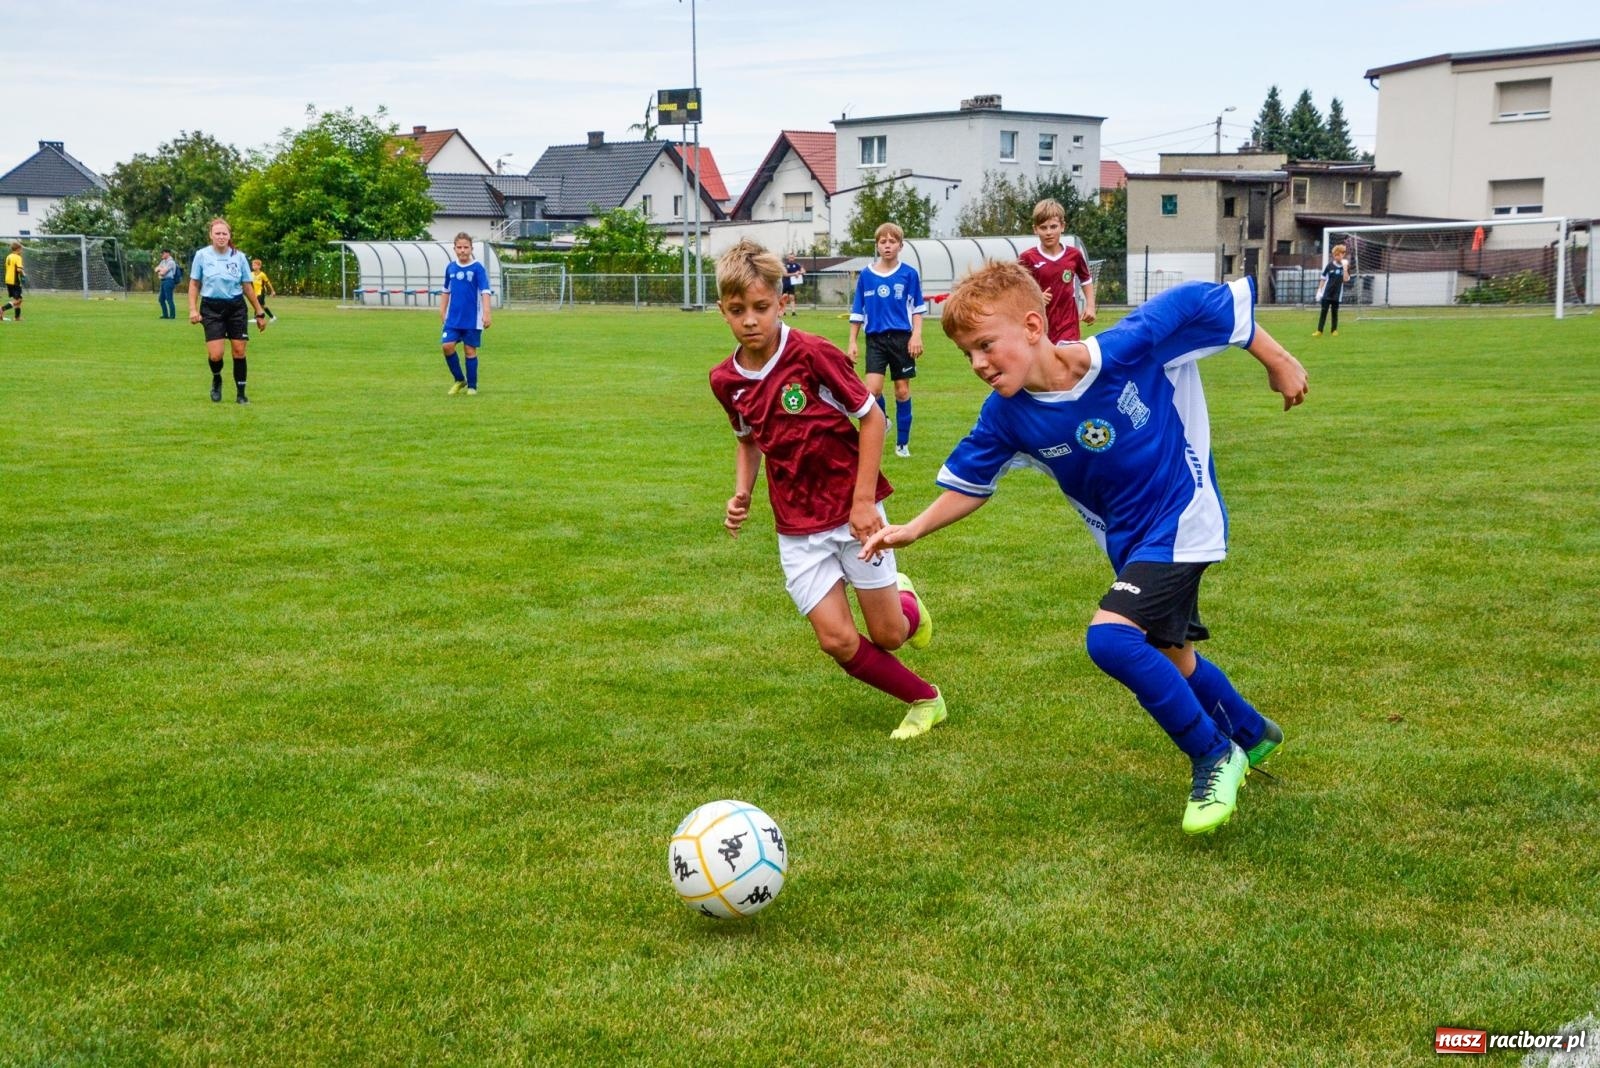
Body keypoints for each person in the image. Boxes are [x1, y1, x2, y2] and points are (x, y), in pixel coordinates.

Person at [860, 262, 1309, 834]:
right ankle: (1251, 731)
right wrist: (913, 528)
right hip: (1130, 545)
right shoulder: (1007, 416)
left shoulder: (1123, 351)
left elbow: (1205, 300)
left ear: (1031, 325)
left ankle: (1215, 753)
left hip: (1185, 519)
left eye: (985, 345)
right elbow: (970, 484)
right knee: (1172, 657)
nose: (978, 363)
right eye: (967, 353)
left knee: (1111, 639)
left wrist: (1275, 358)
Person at [709, 239, 945, 741]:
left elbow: (873, 418)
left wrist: (863, 502)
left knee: (890, 635)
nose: (750, 320)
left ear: (782, 303)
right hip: (796, 525)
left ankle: (906, 604)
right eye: (737, 311)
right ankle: (926, 700)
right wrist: (741, 494)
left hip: (851, 510)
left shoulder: (812, 354)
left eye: (760, 307)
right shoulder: (725, 380)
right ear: (722, 312)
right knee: (836, 639)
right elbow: (748, 440)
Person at [846, 223, 926, 458]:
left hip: (902, 338)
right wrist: (852, 341)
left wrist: (916, 335)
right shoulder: (866, 275)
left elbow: (917, 309)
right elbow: (857, 311)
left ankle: (902, 444)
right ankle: (884, 420)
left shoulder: (909, 274)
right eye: (883, 242)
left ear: (900, 245)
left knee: (902, 391)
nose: (887, 245)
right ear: (877, 245)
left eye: (892, 241)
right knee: (872, 390)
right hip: (875, 339)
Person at [188, 218, 267, 404]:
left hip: (236, 307)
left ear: (229, 235)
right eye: (218, 233)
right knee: (216, 355)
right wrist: (192, 309)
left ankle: (241, 394)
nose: (221, 237)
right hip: (211, 307)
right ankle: (217, 378)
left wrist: (259, 311)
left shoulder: (238, 257)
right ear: (211, 235)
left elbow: (247, 286)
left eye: (225, 233)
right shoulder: (202, 255)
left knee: (239, 350)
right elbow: (194, 283)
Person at [1017, 198, 1096, 343]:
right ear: (1035, 229)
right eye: (1043, 227)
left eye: (1053, 227)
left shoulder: (1074, 255)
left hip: (1068, 324)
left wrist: (1090, 306)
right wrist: (1036, 297)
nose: (1048, 232)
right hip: (1040, 325)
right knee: (1044, 365)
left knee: (1067, 363)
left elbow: (1086, 280)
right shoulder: (1027, 258)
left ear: (1062, 226)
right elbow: (1017, 289)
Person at [440, 233, 492, 395]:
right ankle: (459, 379)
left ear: (471, 248)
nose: (462, 250)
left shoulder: (477, 268)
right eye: (459, 247)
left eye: (465, 247)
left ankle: (472, 387)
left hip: (472, 319)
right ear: (454, 248)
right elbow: (446, 290)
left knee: (470, 351)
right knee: (447, 346)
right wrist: (442, 310)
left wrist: (487, 313)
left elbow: (485, 291)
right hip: (453, 318)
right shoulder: (451, 268)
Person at [1314, 244, 1350, 336]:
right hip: (1327, 293)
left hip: (1337, 294)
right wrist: (1319, 290)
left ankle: (1334, 330)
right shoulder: (1329, 266)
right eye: (1335, 255)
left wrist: (1345, 269)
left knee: (1335, 312)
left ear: (1343, 255)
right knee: (1324, 311)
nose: (1337, 256)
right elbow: (1323, 278)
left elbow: (1346, 279)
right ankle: (1319, 330)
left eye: (1339, 254)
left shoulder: (1345, 266)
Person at [1, 242, 24, 321]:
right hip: (15, 280)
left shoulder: (9, 256)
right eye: (21, 249)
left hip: (8, 279)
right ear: (18, 249)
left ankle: (17, 317)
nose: (21, 251)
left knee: (18, 298)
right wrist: (23, 275)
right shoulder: (18, 257)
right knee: (18, 300)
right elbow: (19, 269)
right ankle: (2, 309)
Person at [155, 249, 180, 319]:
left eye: (163, 253)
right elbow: (156, 269)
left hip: (169, 281)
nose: (161, 255)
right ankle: (165, 314)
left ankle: (172, 315)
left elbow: (163, 272)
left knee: (169, 299)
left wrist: (160, 270)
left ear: (167, 253)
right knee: (161, 299)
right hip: (163, 281)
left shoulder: (171, 262)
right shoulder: (163, 261)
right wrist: (161, 270)